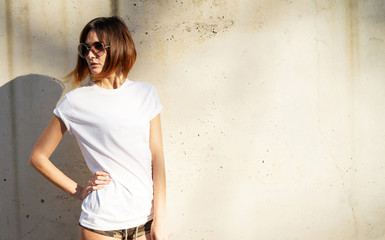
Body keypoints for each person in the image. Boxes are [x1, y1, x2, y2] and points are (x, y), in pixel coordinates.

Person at [29, 16, 169, 240]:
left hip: (146, 220)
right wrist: (79, 191)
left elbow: (157, 157)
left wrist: (161, 219)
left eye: (98, 47)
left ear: (119, 46)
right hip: (101, 224)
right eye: (85, 48)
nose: (90, 54)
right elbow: (38, 157)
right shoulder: (75, 102)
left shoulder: (146, 93)